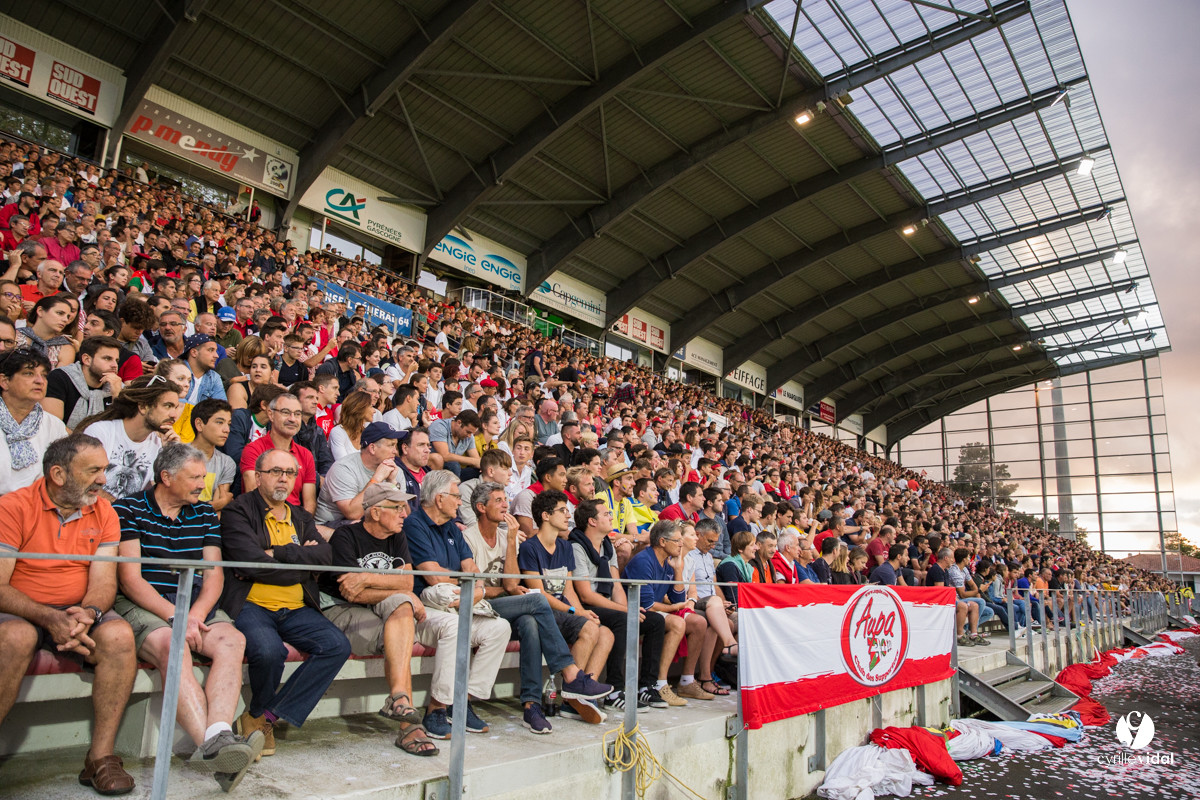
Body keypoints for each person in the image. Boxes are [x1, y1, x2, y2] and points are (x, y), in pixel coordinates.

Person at [113, 444, 263, 790]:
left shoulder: (205, 513)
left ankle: (219, 735)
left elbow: (213, 575)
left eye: (203, 476)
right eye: (194, 477)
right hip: (147, 605)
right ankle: (214, 749)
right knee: (172, 644)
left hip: (193, 602)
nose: (202, 484)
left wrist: (192, 616)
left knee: (232, 639)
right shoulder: (128, 508)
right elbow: (131, 579)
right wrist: (175, 617)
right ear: (166, 477)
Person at [0, 434, 138, 796]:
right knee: (17, 636)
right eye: (94, 470)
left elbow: (104, 582)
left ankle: (100, 757)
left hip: (77, 611)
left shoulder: (104, 511)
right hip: (20, 609)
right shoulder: (13, 507)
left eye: (105, 470)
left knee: (120, 636)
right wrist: (49, 618)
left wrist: (88, 614)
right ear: (59, 474)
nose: (104, 479)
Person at [219, 448, 351, 756]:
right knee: (268, 652)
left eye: (290, 473)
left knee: (337, 646)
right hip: (252, 604)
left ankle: (262, 717)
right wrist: (297, 564)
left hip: (296, 606)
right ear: (258, 476)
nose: (284, 479)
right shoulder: (238, 511)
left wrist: (277, 554)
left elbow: (324, 557)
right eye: (276, 472)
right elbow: (249, 564)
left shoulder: (300, 515)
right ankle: (260, 713)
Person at [461, 482, 613, 732]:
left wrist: (510, 540)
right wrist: (501, 590)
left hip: (510, 607)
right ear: (480, 507)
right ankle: (571, 676)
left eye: (505, 499)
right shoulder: (468, 537)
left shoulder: (508, 535)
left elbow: (511, 584)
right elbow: (497, 588)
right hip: (481, 606)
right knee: (537, 599)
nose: (505, 504)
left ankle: (531, 706)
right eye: (498, 500)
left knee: (531, 623)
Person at [319, 482, 438, 756]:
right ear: (374, 512)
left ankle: (399, 699)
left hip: (378, 608)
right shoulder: (345, 537)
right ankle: (409, 726)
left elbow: (408, 584)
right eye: (396, 507)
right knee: (401, 628)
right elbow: (351, 593)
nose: (404, 514)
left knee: (404, 608)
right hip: (340, 611)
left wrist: (367, 578)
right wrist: (395, 586)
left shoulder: (397, 536)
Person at [402, 470, 512, 739]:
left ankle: (463, 702)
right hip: (425, 609)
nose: (459, 502)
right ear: (439, 499)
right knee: (454, 626)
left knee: (499, 628)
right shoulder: (414, 524)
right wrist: (469, 584)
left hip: (457, 602)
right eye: (455, 496)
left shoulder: (451, 526)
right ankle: (436, 708)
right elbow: (433, 576)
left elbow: (474, 571)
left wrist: (472, 586)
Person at [518, 490, 614, 720]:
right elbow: (539, 594)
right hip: (544, 611)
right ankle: (572, 691)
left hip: (563, 609)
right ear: (545, 516)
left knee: (606, 633)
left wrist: (580, 611)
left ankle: (580, 697)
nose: (567, 514)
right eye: (562, 510)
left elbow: (568, 589)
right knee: (590, 628)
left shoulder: (564, 547)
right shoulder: (530, 548)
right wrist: (575, 611)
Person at [569, 498, 669, 710]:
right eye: (605, 514)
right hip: (589, 606)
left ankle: (646, 686)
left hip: (608, 605)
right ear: (592, 521)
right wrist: (627, 611)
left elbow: (615, 586)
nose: (611, 516)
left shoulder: (607, 546)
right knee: (623, 620)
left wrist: (629, 608)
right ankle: (615, 689)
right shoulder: (576, 546)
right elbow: (586, 594)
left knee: (655, 621)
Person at [79, 375, 183, 502]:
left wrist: (170, 455)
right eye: (167, 406)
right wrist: (124, 510)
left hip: (129, 519)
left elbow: (161, 499)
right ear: (143, 407)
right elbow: (84, 482)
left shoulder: (159, 445)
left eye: (176, 407)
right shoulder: (101, 432)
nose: (174, 415)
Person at [0, 348, 69, 493]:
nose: (40, 381)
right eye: (29, 373)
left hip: (36, 506)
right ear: (4, 381)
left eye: (44, 375)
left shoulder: (53, 425)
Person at [238, 393, 318, 513]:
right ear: (271, 414)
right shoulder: (254, 450)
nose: (292, 419)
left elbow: (309, 505)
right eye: (285, 412)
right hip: (262, 521)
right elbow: (253, 495)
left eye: (297, 414)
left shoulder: (306, 455)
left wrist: (302, 526)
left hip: (296, 522)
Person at [315, 422, 404, 527]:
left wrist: (392, 483)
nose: (395, 451)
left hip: (366, 522)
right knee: (364, 526)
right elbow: (352, 514)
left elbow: (403, 512)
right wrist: (377, 479)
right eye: (391, 445)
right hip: (328, 526)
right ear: (372, 448)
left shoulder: (395, 470)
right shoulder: (344, 468)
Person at [43, 335, 123, 430]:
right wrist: (85, 444)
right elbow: (53, 425)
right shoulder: (60, 378)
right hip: (64, 442)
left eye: (116, 360)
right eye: (107, 359)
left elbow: (121, 432)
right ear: (86, 359)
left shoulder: (116, 386)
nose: (114, 365)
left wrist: (117, 396)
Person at [926, 547, 983, 647]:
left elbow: (947, 589)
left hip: (948, 598)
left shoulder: (945, 571)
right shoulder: (936, 570)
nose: (953, 560)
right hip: (937, 601)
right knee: (962, 606)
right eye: (951, 558)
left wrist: (956, 598)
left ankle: (973, 634)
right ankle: (959, 636)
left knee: (974, 605)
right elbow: (940, 592)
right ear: (946, 558)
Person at [190, 398, 236, 512]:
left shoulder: (227, 463)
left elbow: (219, 504)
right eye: (219, 422)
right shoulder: (178, 456)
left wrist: (220, 504)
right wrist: (215, 506)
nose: (227, 430)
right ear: (199, 424)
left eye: (229, 424)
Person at [17, 294, 77, 368]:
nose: (65, 320)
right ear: (40, 311)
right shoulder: (16, 336)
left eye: (67, 316)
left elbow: (56, 378)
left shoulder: (65, 348)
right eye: (60, 313)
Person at [428, 409, 481, 477]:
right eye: (468, 432)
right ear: (459, 423)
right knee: (454, 465)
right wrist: (473, 461)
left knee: (478, 471)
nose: (469, 436)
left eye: (472, 433)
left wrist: (482, 466)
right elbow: (445, 456)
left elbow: (476, 459)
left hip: (454, 471)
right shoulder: (439, 426)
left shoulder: (469, 436)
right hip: (433, 468)